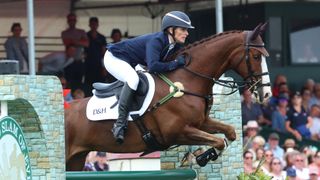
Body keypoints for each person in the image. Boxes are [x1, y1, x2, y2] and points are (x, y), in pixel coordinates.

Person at [104, 11, 194, 144]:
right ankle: (119, 124)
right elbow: (153, 67)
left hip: (133, 62)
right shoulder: (156, 40)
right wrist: (175, 64)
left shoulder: (173, 45)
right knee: (133, 79)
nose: (187, 33)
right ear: (171, 29)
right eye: (183, 29)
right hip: (114, 58)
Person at [61, 13, 89, 91]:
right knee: (69, 84)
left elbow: (86, 43)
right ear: (68, 21)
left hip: (79, 61)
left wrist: (73, 41)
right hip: (68, 62)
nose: (72, 21)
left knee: (79, 84)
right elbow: (66, 42)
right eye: (70, 20)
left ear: (76, 21)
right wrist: (80, 40)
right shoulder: (64, 32)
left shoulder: (81, 31)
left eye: (73, 20)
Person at [84, 17, 107, 96]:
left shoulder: (102, 38)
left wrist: (104, 67)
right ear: (89, 25)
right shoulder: (85, 36)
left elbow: (104, 53)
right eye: (92, 24)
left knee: (100, 85)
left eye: (95, 24)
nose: (93, 25)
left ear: (97, 25)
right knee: (88, 85)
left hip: (98, 65)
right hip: (88, 65)